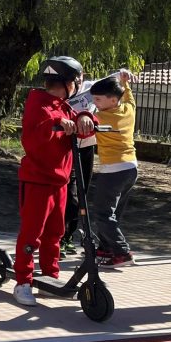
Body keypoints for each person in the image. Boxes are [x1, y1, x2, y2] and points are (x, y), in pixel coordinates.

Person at [11, 56, 95, 307]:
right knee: (31, 233)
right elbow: (34, 137)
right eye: (77, 81)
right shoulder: (40, 103)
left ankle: (50, 275)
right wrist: (59, 122)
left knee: (55, 233)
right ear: (68, 82)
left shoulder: (63, 104)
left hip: (59, 180)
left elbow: (82, 122)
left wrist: (84, 117)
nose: (79, 85)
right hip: (38, 180)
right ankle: (23, 281)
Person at [90, 71, 137, 268]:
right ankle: (106, 249)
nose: (95, 103)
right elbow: (129, 98)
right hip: (131, 168)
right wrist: (125, 83)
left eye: (98, 99)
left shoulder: (101, 118)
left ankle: (122, 252)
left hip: (113, 170)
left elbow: (84, 122)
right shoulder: (128, 110)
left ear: (112, 99)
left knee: (102, 213)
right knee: (113, 213)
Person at [61, 74, 97, 254]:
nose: (77, 81)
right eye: (73, 77)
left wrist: (122, 74)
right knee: (70, 195)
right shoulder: (62, 94)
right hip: (68, 148)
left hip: (86, 146)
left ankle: (68, 236)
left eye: (79, 76)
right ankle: (60, 236)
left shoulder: (90, 88)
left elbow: (110, 82)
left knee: (83, 192)